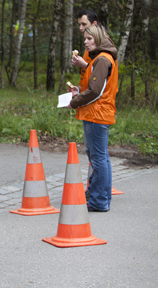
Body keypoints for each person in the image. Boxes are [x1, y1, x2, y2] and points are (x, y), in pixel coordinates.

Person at [67, 25, 118, 212]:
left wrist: (75, 102)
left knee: (98, 158)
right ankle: (101, 198)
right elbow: (96, 86)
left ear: (97, 38)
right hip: (96, 112)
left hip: (97, 113)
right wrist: (78, 91)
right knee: (99, 157)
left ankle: (99, 201)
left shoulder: (103, 59)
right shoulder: (99, 59)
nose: (85, 42)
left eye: (89, 38)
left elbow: (96, 92)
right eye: (85, 38)